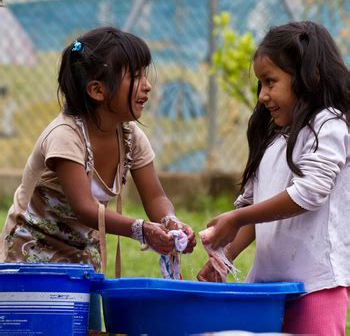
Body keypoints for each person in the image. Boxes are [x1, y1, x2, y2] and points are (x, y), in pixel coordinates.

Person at [0, 26, 196, 331]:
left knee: (88, 329)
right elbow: (85, 208)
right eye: (136, 76)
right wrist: (141, 230)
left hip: (82, 261)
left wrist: (170, 223)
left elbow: (156, 197)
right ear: (97, 90)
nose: (147, 86)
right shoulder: (65, 137)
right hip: (32, 261)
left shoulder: (131, 137)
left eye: (146, 74)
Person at [197, 20, 350, 336]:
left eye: (270, 82)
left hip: (316, 286)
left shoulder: (329, 125)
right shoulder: (273, 136)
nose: (263, 95)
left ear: (311, 77)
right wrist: (224, 255)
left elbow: (309, 193)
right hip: (269, 290)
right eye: (260, 84)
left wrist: (236, 218)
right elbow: (257, 211)